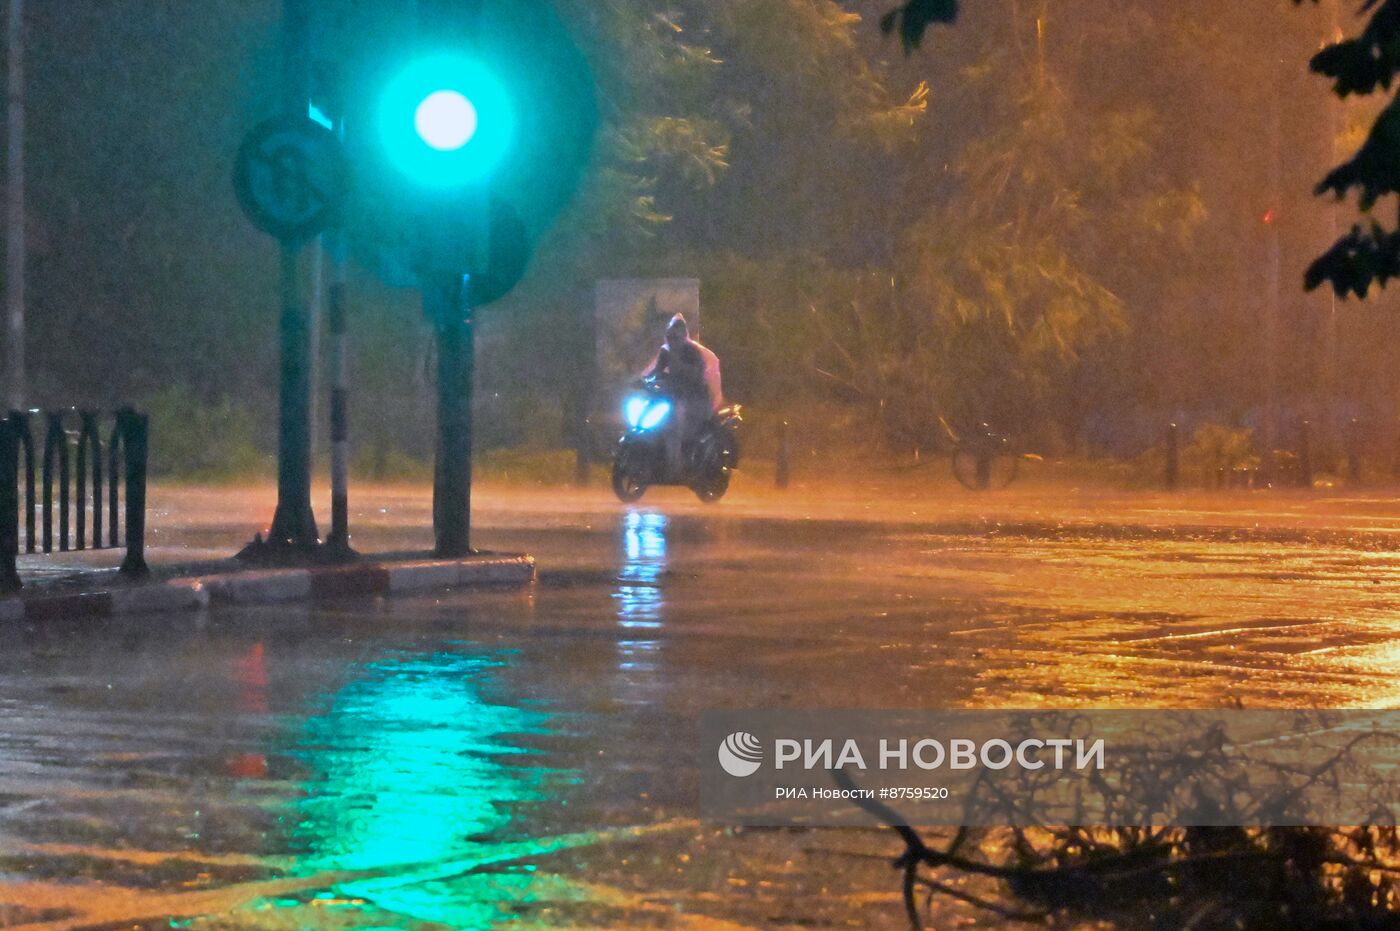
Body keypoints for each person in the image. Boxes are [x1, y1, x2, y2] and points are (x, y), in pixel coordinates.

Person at [641, 314, 723, 472]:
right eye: (670, 336)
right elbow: (656, 371)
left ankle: (678, 463)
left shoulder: (693, 352)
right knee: (662, 421)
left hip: (694, 400)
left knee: (678, 425)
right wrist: (642, 380)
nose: (673, 340)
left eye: (676, 336)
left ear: (683, 335)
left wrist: (679, 366)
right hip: (673, 397)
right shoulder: (665, 352)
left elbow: (698, 375)